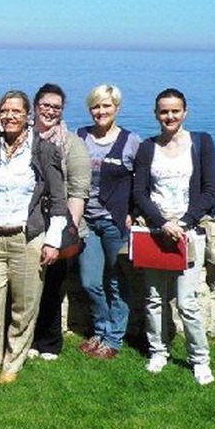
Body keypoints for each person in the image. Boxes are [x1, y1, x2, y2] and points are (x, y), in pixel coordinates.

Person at [0, 91, 66, 384]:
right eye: (5, 111)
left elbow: (58, 199)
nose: (10, 116)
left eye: (16, 111)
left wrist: (53, 240)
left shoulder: (45, 150)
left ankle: (12, 363)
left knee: (24, 307)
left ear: (27, 116)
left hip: (27, 238)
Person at [133, 88, 215, 385]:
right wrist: (161, 222)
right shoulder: (147, 148)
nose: (169, 116)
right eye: (164, 111)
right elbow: (139, 193)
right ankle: (158, 351)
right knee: (154, 299)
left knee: (187, 303)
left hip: (189, 233)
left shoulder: (202, 143)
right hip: (156, 233)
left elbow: (210, 190)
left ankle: (200, 359)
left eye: (175, 111)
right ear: (156, 114)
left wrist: (184, 222)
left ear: (185, 112)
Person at [76, 85, 140, 360]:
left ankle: (113, 338)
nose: (101, 111)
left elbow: (142, 182)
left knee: (115, 282)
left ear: (117, 108)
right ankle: (100, 330)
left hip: (116, 223)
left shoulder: (131, 141)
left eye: (106, 105)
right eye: (96, 106)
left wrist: (133, 211)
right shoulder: (80, 136)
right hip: (86, 222)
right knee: (90, 281)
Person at [29, 84, 91, 360]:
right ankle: (27, 339)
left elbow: (78, 191)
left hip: (58, 223)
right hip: (28, 223)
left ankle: (49, 342)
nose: (50, 111)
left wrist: (67, 231)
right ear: (35, 106)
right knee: (27, 286)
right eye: (46, 105)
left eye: (56, 107)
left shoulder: (71, 144)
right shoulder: (23, 137)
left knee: (53, 287)